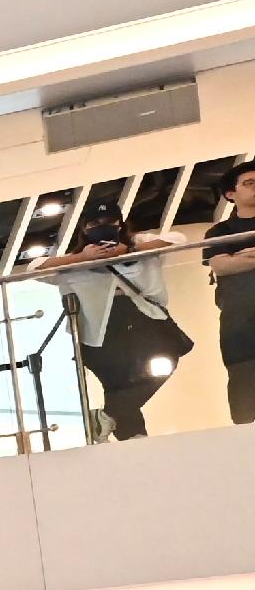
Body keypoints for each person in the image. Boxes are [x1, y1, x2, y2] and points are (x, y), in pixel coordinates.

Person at [57, 215, 189, 442]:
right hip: (99, 327)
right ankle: (133, 438)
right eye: (93, 224)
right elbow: (35, 267)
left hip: (143, 316)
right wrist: (83, 257)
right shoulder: (75, 259)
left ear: (120, 223)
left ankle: (108, 416)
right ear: (84, 229)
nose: (102, 228)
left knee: (165, 360)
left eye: (108, 221)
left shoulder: (139, 241)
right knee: (119, 383)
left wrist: (128, 250)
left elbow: (178, 238)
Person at [198, 169, 255, 425]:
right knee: (242, 376)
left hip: (238, 312)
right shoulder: (220, 231)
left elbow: (229, 262)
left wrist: (241, 257)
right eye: (250, 183)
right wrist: (232, 261)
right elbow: (220, 266)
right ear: (231, 193)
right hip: (239, 316)